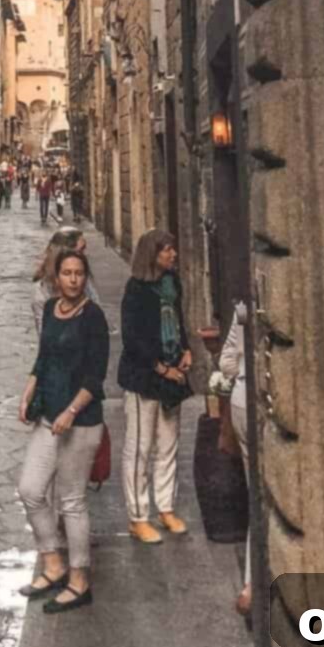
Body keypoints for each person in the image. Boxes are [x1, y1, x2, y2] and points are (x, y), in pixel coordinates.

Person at [18, 248, 108, 614]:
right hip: (47, 418)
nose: (72, 279)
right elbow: (42, 359)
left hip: (81, 423)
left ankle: (79, 579)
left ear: (85, 277)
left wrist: (72, 411)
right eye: (67, 273)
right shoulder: (53, 311)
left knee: (71, 502)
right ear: (56, 277)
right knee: (30, 490)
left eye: (78, 273)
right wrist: (27, 394)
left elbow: (95, 376)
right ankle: (52, 562)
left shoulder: (93, 317)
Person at [118, 228, 192, 544]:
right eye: (167, 250)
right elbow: (132, 339)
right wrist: (162, 369)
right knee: (140, 448)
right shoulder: (135, 290)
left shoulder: (171, 284)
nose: (173, 255)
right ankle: (138, 516)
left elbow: (178, 321)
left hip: (172, 373)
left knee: (168, 445)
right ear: (153, 254)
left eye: (172, 249)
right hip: (143, 377)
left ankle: (166, 507)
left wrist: (186, 350)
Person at [220, 302, 251, 619]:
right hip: (256, 403)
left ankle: (251, 586)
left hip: (240, 401)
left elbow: (226, 360)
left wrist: (241, 370)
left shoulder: (242, 306)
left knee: (257, 497)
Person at [32, 227, 102, 332]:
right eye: (81, 250)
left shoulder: (84, 281)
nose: (85, 255)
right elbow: (44, 335)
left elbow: (98, 320)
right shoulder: (42, 291)